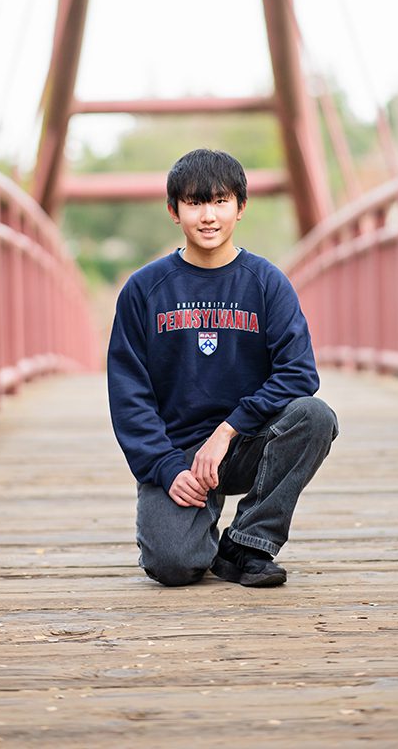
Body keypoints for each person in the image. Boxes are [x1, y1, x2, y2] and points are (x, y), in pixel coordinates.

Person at [107, 149, 338, 588]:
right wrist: (165, 467)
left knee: (314, 416)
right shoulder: (144, 290)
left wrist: (227, 430)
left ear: (241, 207)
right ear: (174, 211)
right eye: (195, 203)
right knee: (174, 566)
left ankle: (247, 543)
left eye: (220, 201)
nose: (208, 216)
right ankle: (195, 531)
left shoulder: (266, 283)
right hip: (178, 454)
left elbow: (300, 373)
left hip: (246, 443)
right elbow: (128, 394)